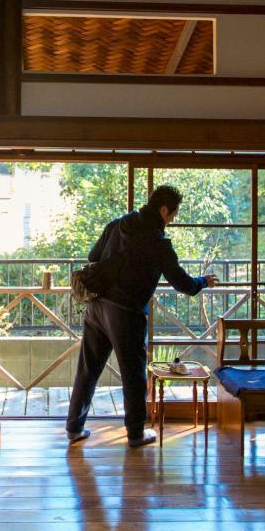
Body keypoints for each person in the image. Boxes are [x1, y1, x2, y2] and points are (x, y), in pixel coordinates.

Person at [66, 185, 217, 447]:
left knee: (88, 369)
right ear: (163, 210)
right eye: (173, 215)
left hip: (97, 306)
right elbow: (183, 284)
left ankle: (74, 428)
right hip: (126, 312)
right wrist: (203, 281)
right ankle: (136, 434)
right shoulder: (159, 243)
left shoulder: (119, 223)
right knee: (133, 374)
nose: (172, 220)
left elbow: (93, 256)